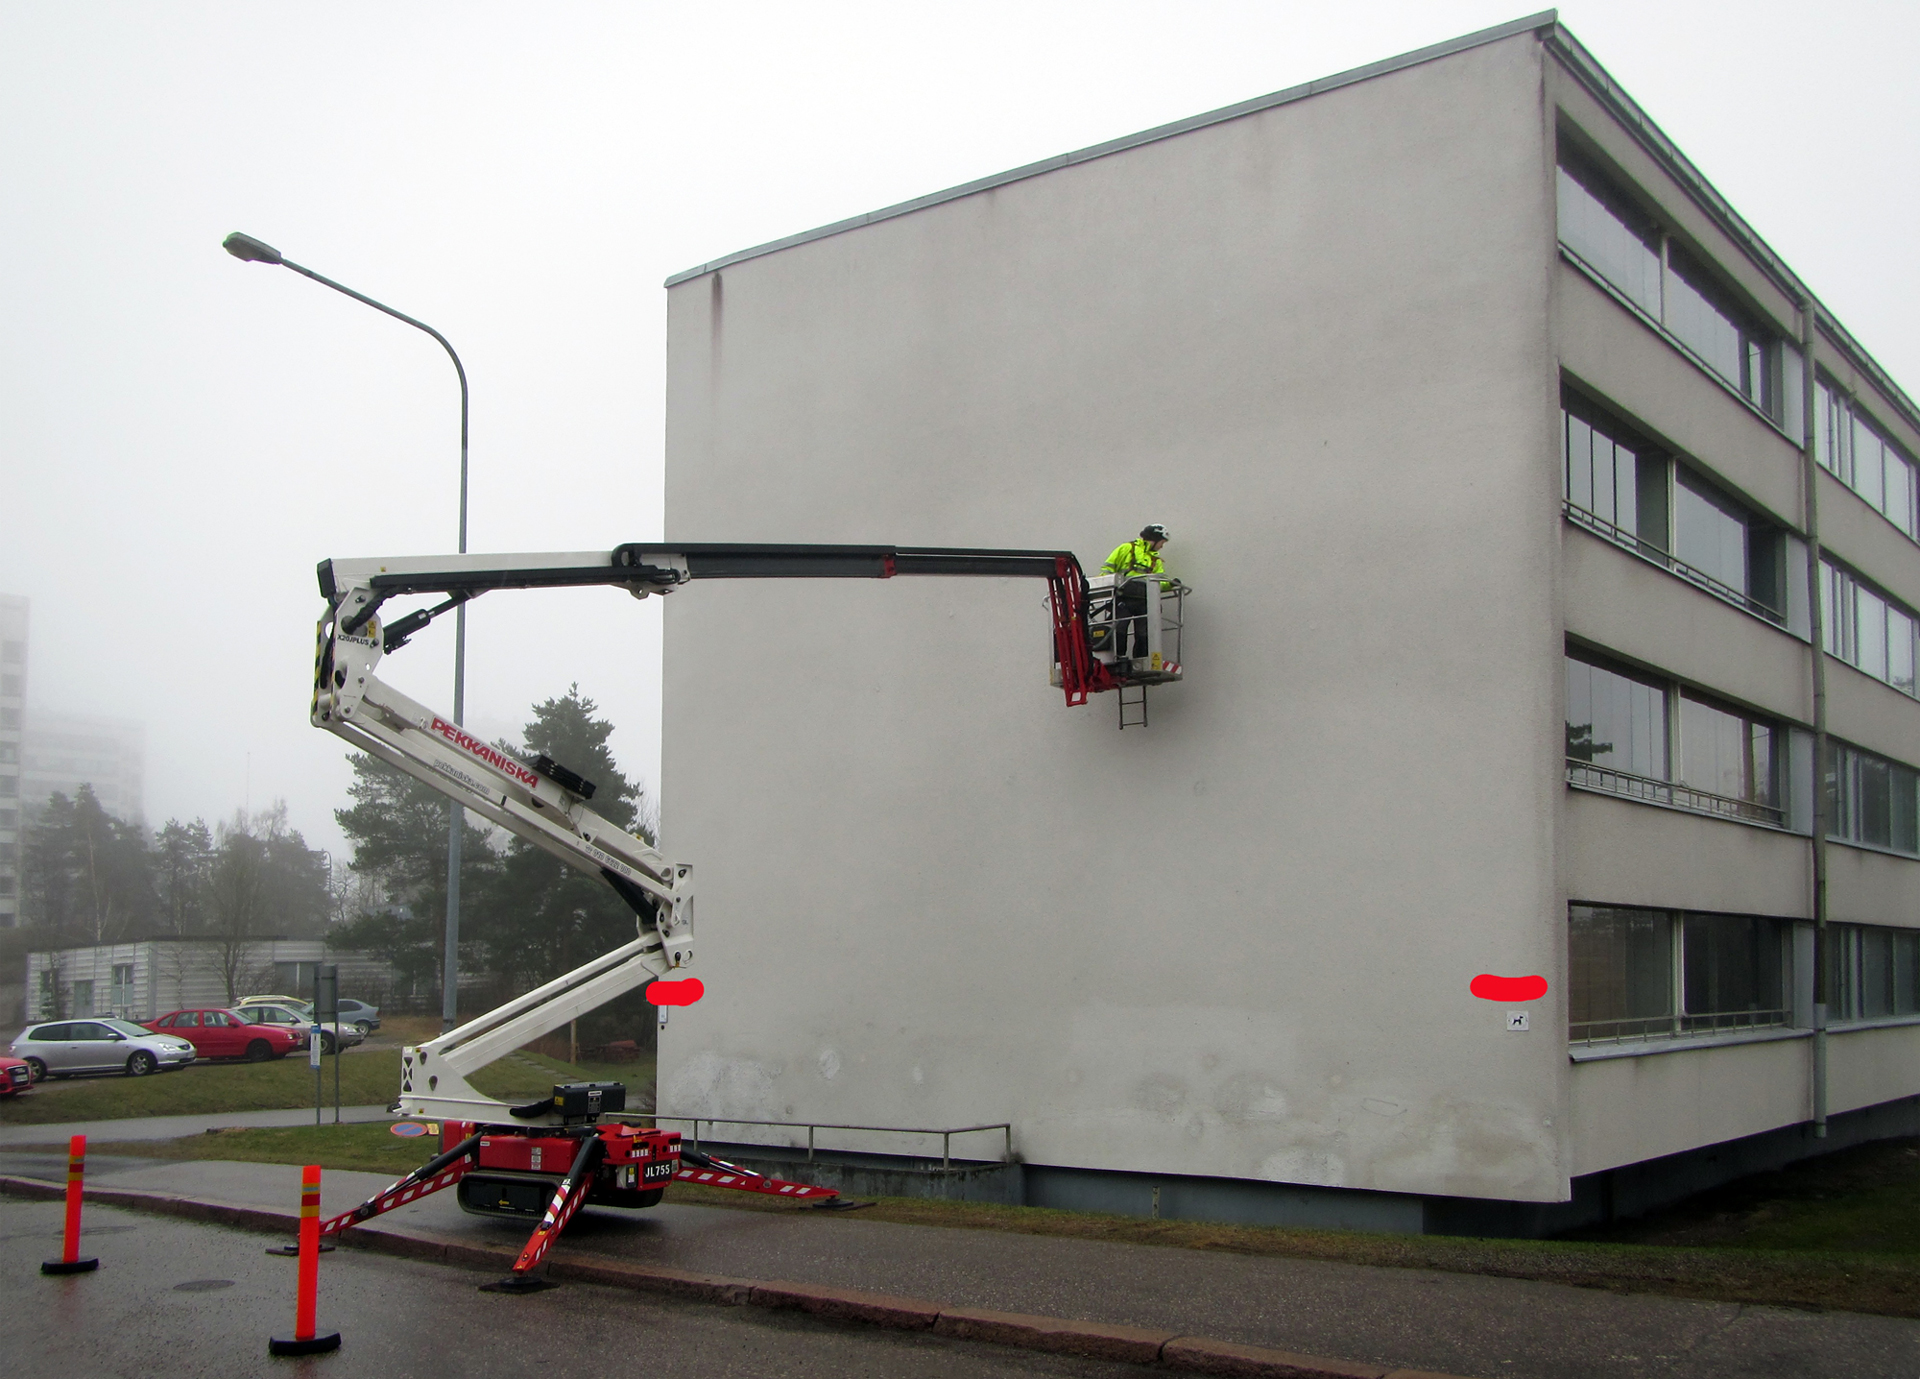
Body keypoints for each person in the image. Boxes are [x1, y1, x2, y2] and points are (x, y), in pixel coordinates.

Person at [1102, 524, 1170, 660]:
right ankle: (1117, 657)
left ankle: (1142, 659)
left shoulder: (1155, 560)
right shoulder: (1126, 549)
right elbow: (1107, 570)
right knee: (1119, 628)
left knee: (1144, 632)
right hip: (1124, 596)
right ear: (1155, 539)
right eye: (1162, 542)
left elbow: (1159, 582)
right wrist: (1108, 586)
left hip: (1144, 599)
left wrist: (1170, 584)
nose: (1162, 546)